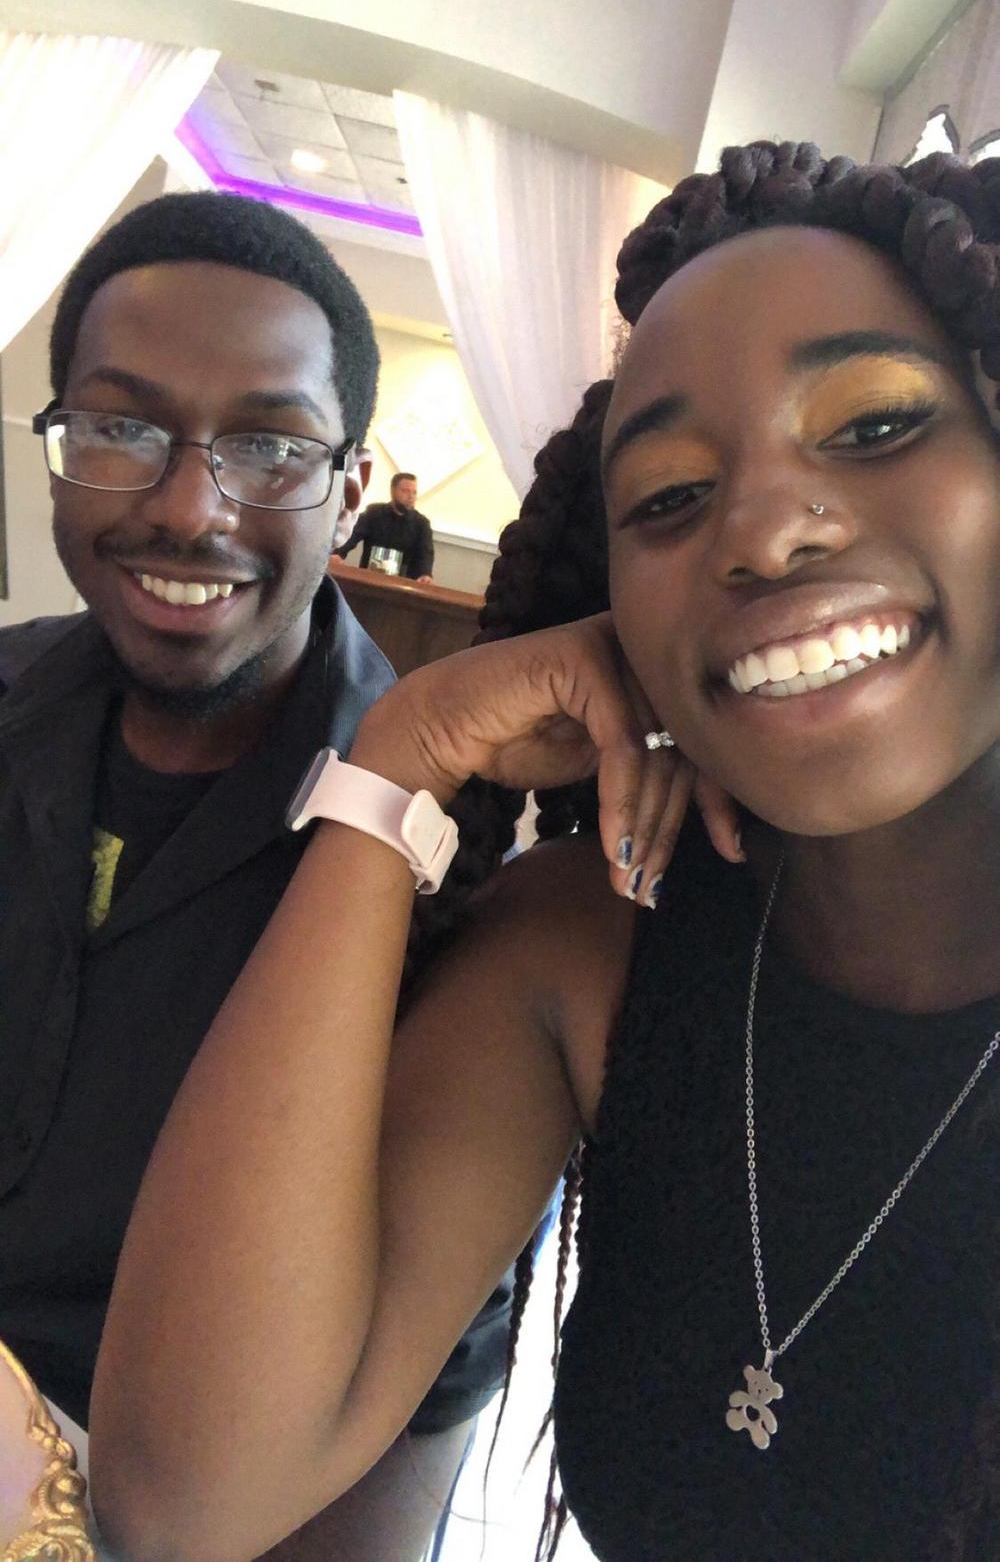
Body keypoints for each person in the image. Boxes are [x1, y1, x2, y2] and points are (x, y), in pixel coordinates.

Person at [90, 140, 1000, 1562]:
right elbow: (182, 1496)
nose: (763, 530)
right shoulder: (595, 938)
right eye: (670, 496)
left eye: (876, 422)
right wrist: (400, 759)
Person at [0, 190, 515, 1562]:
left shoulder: (435, 860)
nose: (189, 508)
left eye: (271, 446)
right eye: (121, 429)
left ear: (349, 485)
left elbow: (425, 1396)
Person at [334, 470, 435, 581]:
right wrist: (339, 553)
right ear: (393, 491)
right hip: (368, 578)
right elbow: (354, 534)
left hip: (403, 583)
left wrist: (425, 574)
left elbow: (426, 553)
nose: (411, 497)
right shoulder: (374, 513)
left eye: (414, 492)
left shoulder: (422, 524)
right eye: (405, 491)